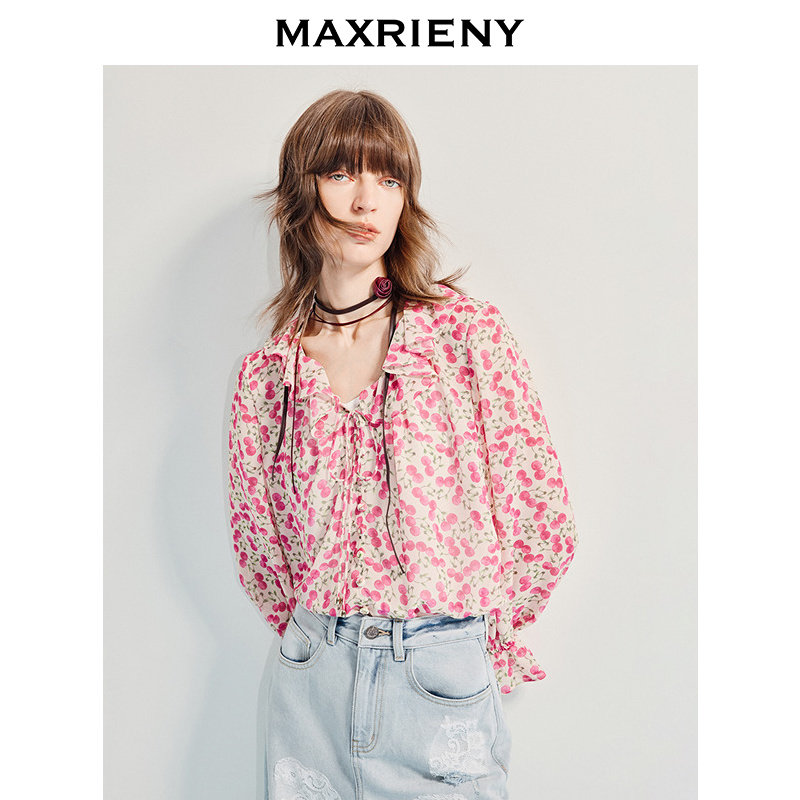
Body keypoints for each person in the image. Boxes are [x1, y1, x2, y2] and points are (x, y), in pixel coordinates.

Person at [226, 89, 577, 800]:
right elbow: (259, 547)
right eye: (341, 174)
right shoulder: (271, 373)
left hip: (439, 678)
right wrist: (322, 638)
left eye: (388, 179)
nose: (366, 202)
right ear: (301, 192)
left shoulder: (464, 336)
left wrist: (463, 641)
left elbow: (541, 517)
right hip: (312, 683)